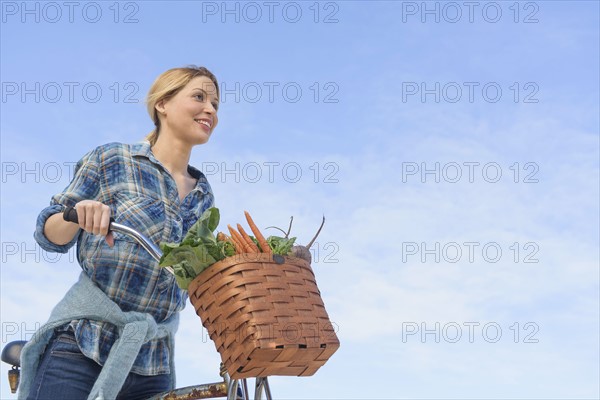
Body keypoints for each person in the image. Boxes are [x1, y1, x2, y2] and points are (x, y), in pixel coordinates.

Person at [19, 66, 220, 400]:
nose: (210, 109)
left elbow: (197, 276)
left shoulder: (204, 195)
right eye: (199, 97)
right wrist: (78, 214)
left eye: (215, 103)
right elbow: (49, 232)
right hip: (83, 346)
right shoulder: (113, 159)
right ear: (163, 104)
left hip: (152, 362)